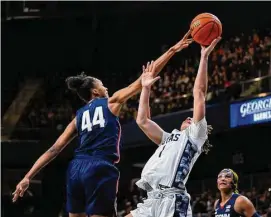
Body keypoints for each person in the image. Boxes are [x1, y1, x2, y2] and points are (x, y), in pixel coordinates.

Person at [12, 31, 193, 217]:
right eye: (102, 85)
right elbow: (143, 80)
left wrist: (28, 177)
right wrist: (172, 50)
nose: (106, 87)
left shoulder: (78, 117)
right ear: (95, 92)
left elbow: (54, 149)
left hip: (76, 169)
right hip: (99, 167)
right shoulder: (111, 102)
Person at [126, 37, 221, 217]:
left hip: (172, 200)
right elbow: (142, 121)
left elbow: (199, 92)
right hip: (151, 200)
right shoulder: (169, 138)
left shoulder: (195, 136)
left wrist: (204, 57)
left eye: (191, 119)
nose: (188, 118)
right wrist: (145, 88)